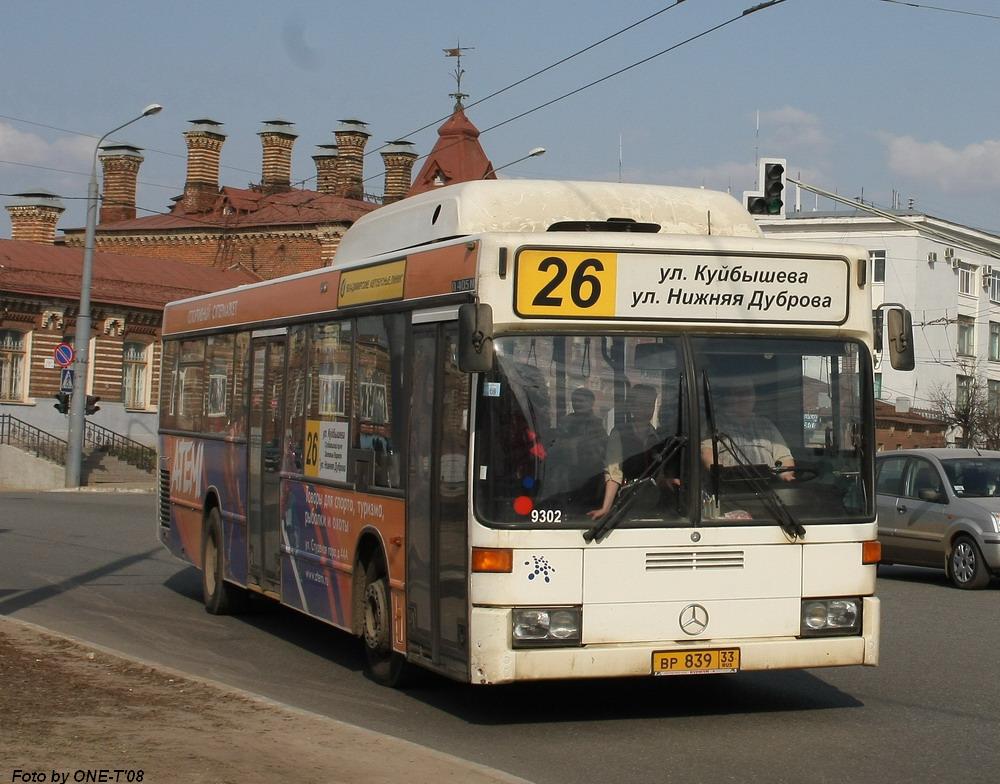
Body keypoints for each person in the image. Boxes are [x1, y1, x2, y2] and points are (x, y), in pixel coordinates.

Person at [587, 384, 667, 520]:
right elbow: (614, 473)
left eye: (649, 404)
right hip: (624, 501)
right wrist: (606, 508)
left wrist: (668, 481)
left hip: (652, 502)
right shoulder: (619, 434)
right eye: (640, 404)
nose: (646, 409)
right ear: (631, 406)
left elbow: (659, 472)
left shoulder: (657, 436)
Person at [701, 378, 795, 480]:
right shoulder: (716, 425)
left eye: (748, 393)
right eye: (738, 394)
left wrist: (785, 476)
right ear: (728, 398)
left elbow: (784, 457)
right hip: (731, 489)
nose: (744, 398)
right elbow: (707, 453)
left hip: (770, 489)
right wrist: (723, 477)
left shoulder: (766, 425)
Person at [548, 387, 607, 510]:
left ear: (591, 402)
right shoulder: (566, 421)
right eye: (575, 400)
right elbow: (556, 445)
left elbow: (603, 446)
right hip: (569, 472)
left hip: (593, 471)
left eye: (582, 401)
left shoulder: (597, 423)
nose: (578, 404)